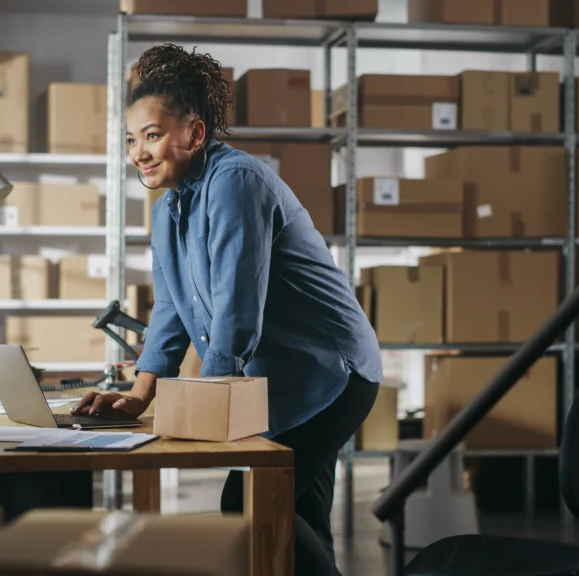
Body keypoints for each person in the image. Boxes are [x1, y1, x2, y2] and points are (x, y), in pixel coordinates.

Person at [72, 44, 382, 576]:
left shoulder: (236, 181)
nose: (139, 153)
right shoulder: (168, 211)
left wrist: (210, 403)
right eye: (131, 139)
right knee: (297, 517)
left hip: (331, 373)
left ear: (194, 133)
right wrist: (139, 394)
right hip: (276, 384)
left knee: (248, 505)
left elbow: (238, 307)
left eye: (152, 135)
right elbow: (170, 310)